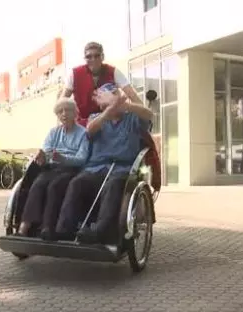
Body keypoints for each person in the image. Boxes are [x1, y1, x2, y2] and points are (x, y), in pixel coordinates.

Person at [55, 83, 154, 244]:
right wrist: (110, 110)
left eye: (113, 95)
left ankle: (101, 231)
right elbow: (90, 130)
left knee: (113, 184)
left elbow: (149, 115)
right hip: (96, 168)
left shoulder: (132, 118)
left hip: (122, 168)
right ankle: (65, 229)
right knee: (77, 183)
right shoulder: (96, 118)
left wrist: (123, 104)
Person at [17, 98, 90, 240]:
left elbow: (82, 159)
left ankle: (47, 227)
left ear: (75, 113)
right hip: (52, 168)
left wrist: (63, 158)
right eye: (60, 112)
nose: (64, 114)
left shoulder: (83, 134)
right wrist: (43, 157)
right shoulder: (53, 132)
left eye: (67, 110)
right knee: (37, 184)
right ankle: (23, 228)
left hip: (71, 170)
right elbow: (47, 151)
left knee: (55, 186)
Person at [59, 41, 142, 126]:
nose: (93, 60)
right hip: (83, 126)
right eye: (89, 57)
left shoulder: (113, 72)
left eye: (97, 56)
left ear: (102, 57)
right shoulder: (75, 74)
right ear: (84, 59)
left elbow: (133, 95)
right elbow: (61, 103)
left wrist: (143, 119)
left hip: (109, 125)